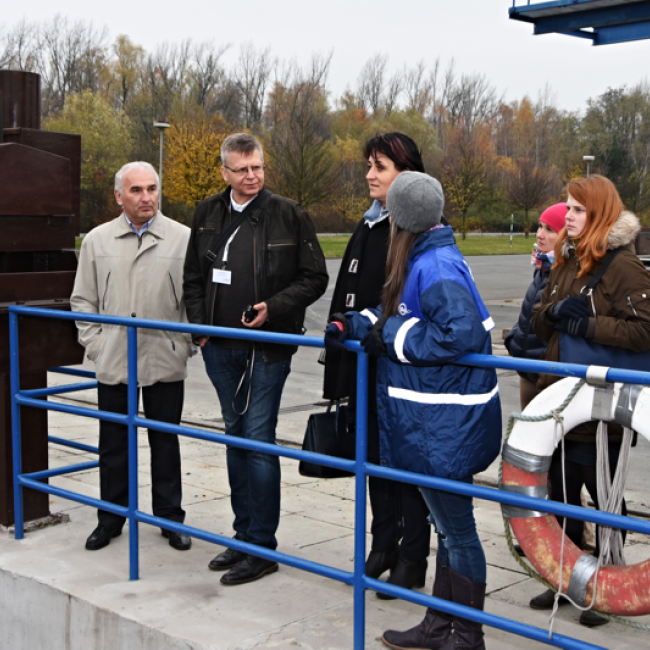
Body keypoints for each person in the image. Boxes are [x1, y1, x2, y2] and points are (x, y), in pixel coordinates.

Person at [325, 172, 502, 650]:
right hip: (430, 423)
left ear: (400, 218)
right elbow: (400, 317)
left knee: (458, 533)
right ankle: (438, 627)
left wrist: (391, 339)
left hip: (443, 426)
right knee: (446, 530)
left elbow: (458, 333)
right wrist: (355, 324)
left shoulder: (438, 265)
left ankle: (466, 636)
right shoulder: (422, 257)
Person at [183, 133, 328, 586]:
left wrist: (274, 308)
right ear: (224, 172)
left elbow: (315, 278)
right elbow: (192, 277)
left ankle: (261, 547)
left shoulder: (289, 214)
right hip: (219, 348)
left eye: (258, 168)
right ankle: (243, 536)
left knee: (258, 436)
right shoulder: (207, 213)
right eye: (242, 169)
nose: (252, 177)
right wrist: (198, 326)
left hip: (268, 348)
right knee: (234, 435)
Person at [531, 174, 650, 627]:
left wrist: (590, 328)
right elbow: (539, 325)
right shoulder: (565, 260)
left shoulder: (623, 267)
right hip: (559, 403)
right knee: (559, 496)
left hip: (603, 412)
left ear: (599, 212)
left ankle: (607, 587)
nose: (570, 216)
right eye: (568, 207)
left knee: (604, 500)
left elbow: (644, 331)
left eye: (579, 209)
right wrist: (555, 314)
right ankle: (565, 579)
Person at [323, 133, 431, 598]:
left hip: (397, 368)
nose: (370, 174)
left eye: (380, 166)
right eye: (370, 164)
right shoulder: (370, 223)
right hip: (364, 362)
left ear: (405, 174)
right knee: (372, 458)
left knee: (403, 464)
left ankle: (413, 555)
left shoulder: (417, 229)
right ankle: (382, 544)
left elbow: (409, 303)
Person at [71, 161, 192, 552]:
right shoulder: (96, 240)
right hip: (115, 358)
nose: (146, 197)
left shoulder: (183, 238)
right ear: (118, 196)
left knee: (166, 442)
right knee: (113, 443)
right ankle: (111, 519)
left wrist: (185, 342)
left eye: (152, 189)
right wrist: (97, 344)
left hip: (164, 358)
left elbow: (194, 300)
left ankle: (170, 518)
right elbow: (83, 300)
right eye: (137, 190)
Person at [505, 203, 566, 409]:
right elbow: (530, 311)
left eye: (549, 229)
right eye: (540, 226)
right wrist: (514, 338)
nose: (539, 234)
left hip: (547, 373)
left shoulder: (566, 273)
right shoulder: (543, 267)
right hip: (528, 368)